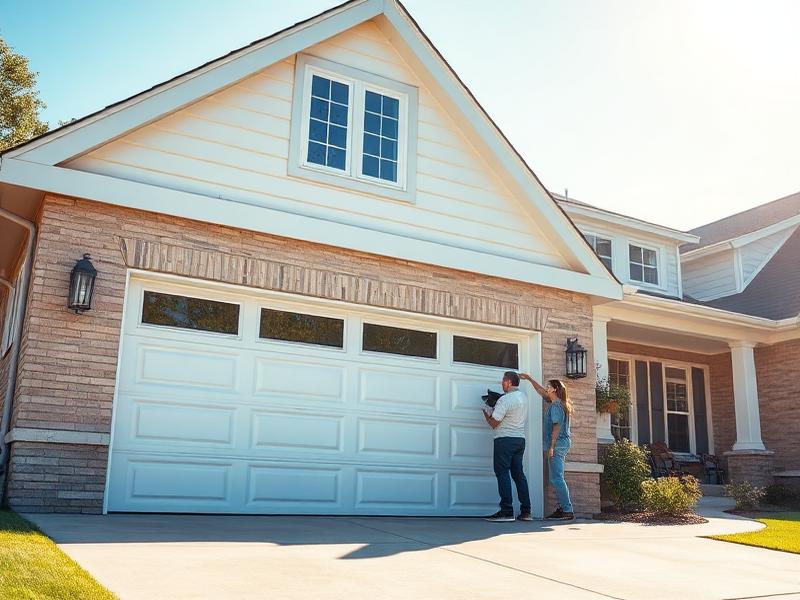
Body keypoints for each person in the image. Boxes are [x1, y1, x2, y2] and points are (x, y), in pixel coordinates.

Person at [519, 373, 574, 520]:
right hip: (560, 443)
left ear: (555, 389)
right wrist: (529, 379)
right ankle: (564, 508)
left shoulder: (556, 406)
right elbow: (541, 391)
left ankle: (567, 510)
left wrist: (551, 447)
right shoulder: (556, 403)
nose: (546, 388)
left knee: (556, 478)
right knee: (556, 477)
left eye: (549, 386)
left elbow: (556, 426)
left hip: (557, 444)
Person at [481, 371, 532, 522]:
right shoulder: (523, 397)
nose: (502, 383)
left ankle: (506, 511)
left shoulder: (505, 400)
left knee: (502, 472)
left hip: (504, 440)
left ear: (509, 382)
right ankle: (526, 511)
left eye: (503, 381)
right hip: (520, 440)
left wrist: (486, 413)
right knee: (518, 475)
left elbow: (495, 423)